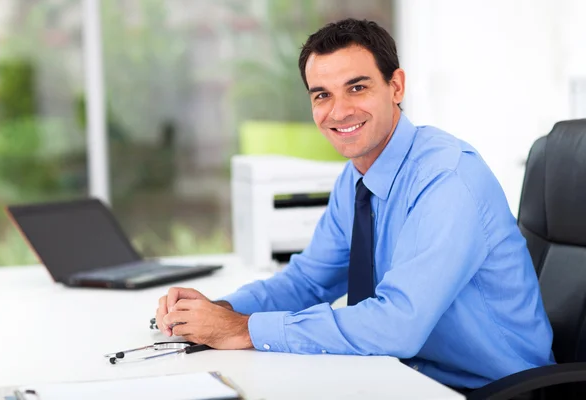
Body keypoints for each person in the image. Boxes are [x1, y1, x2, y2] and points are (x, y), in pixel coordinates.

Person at [155, 18, 554, 392]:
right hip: (404, 377)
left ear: (396, 86)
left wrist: (243, 329)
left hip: (488, 388)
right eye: (322, 95)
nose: (340, 111)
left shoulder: (446, 179)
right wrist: (214, 312)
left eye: (357, 88)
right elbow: (309, 282)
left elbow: (399, 324)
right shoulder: (358, 178)